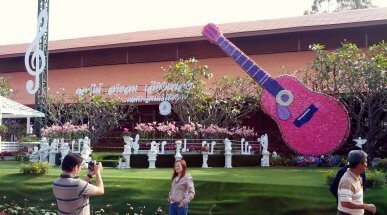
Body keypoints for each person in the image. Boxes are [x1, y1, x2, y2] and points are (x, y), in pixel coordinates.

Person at [337, 150, 376, 215]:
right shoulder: (347, 182)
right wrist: (366, 206)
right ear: (360, 164)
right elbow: (345, 203)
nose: (367, 164)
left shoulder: (356, 176)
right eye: (366, 162)